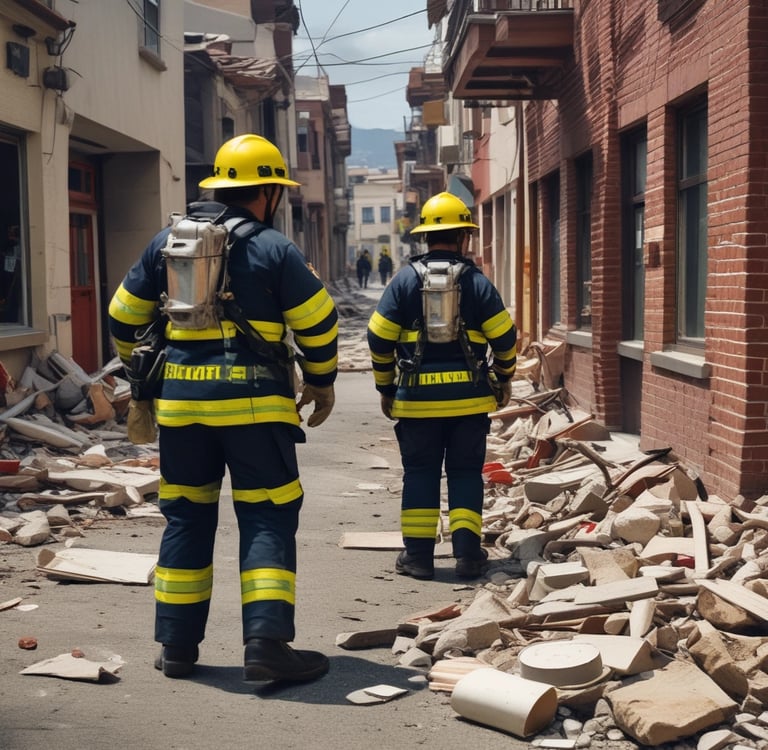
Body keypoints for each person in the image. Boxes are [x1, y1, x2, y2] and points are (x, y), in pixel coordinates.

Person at [108, 134, 338, 683]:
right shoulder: (273, 248)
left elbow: (122, 318)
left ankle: (177, 647)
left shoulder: (165, 242)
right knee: (266, 516)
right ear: (269, 193)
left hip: (181, 412)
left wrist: (147, 377)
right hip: (256, 412)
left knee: (186, 516)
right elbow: (319, 323)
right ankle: (266, 647)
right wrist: (321, 382)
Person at [367, 191, 517, 581]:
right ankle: (468, 556)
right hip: (469, 403)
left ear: (425, 238)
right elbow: (504, 336)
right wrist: (503, 378)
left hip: (415, 404)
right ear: (463, 237)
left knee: (420, 474)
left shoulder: (403, 282)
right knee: (466, 473)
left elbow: (378, 337)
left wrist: (386, 386)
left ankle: (418, 558)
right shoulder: (477, 284)